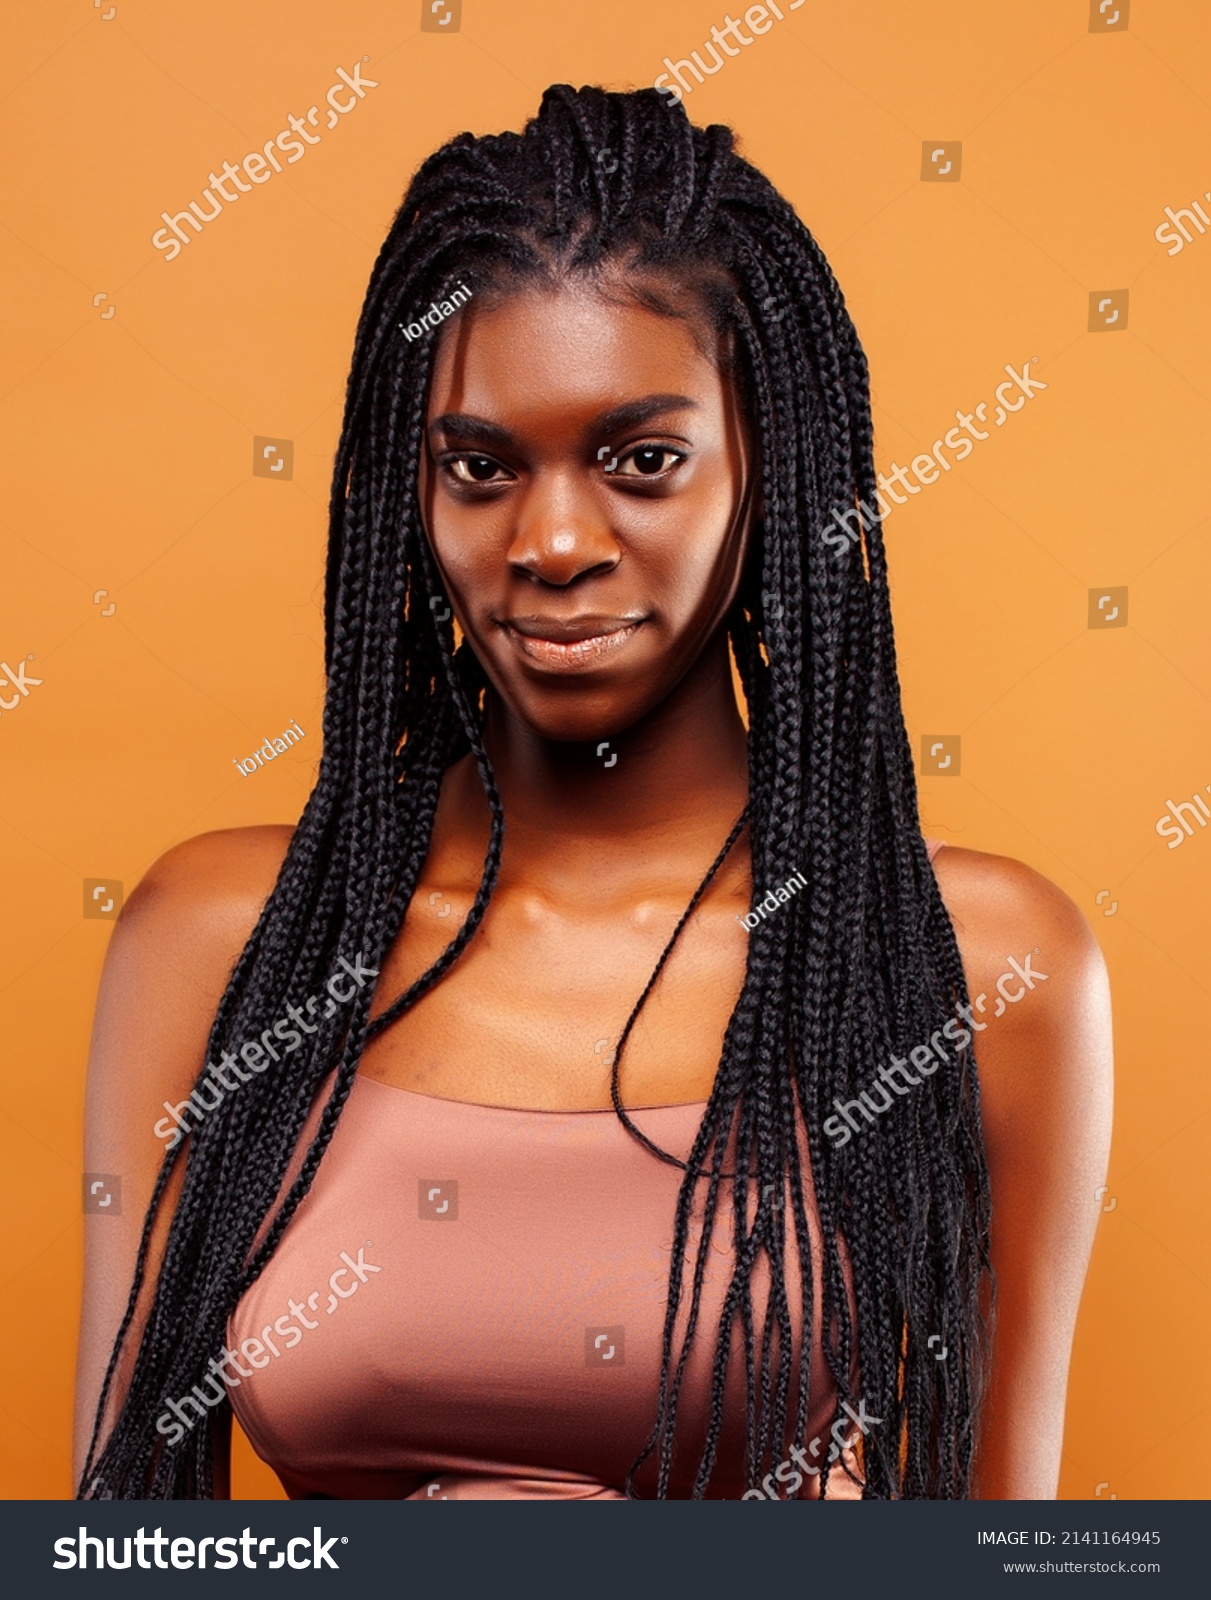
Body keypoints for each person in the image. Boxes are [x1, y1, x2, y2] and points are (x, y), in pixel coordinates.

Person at [74, 84, 1112, 1501]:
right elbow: (117, 1540)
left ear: (769, 469)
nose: (554, 541)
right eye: (482, 468)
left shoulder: (973, 964)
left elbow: (1005, 1556)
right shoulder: (229, 941)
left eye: (642, 461)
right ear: (410, 496)